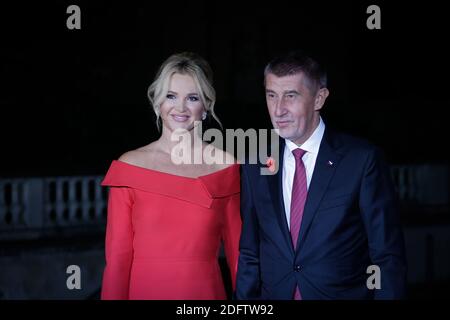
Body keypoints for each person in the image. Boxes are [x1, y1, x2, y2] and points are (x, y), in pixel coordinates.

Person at [236, 50, 407, 299]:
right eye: (271, 95)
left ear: (319, 98)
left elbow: (386, 255)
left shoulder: (361, 160)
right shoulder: (256, 164)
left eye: (290, 96)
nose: (278, 109)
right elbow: (250, 254)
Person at [100, 52, 241, 300]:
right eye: (171, 96)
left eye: (193, 98)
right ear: (157, 103)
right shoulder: (129, 166)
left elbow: (239, 256)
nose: (181, 108)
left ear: (206, 106)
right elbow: (117, 262)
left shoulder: (225, 166)